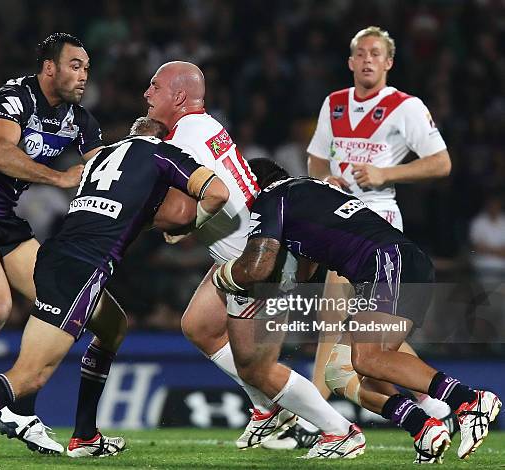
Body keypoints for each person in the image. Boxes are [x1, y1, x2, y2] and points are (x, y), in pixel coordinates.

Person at [0, 119, 230, 460]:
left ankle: (85, 436)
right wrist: (189, 226)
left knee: (113, 327)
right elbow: (217, 193)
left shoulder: (103, 156)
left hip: (55, 252)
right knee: (30, 376)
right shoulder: (164, 154)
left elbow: (123, 213)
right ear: (162, 137)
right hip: (82, 268)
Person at [141, 61, 367, 455]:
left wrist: (141, 218)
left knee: (257, 368)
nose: (147, 94)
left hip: (256, 266)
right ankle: (268, 409)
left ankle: (340, 430)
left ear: (178, 97)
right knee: (198, 326)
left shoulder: (183, 141)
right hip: (246, 251)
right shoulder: (201, 127)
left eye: (154, 86)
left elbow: (191, 204)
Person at [213, 159, 501, 463]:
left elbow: (259, 266)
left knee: (369, 358)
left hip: (384, 263)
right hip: (395, 262)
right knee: (340, 371)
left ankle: (468, 400)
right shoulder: (308, 191)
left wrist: (225, 277)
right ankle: (423, 428)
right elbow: (307, 271)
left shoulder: (271, 196)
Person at [0, 32, 117, 455]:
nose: (84, 74)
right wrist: (61, 177)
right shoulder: (14, 97)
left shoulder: (80, 120)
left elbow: (106, 171)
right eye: (75, 65)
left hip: (7, 222)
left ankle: (19, 411)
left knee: (59, 301)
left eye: (86, 67)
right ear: (49, 67)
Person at [299, 25, 454, 446]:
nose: (367, 59)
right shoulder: (333, 104)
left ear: (388, 63)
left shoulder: (405, 107)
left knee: (336, 323)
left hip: (379, 219)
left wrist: (388, 173)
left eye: (376, 54)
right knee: (367, 338)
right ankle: (436, 404)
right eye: (361, 53)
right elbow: (315, 158)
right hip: (339, 217)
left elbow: (440, 163)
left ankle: (315, 417)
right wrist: (323, 180)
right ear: (350, 62)